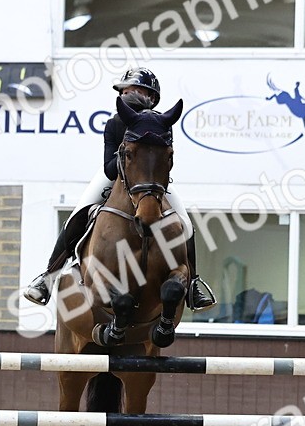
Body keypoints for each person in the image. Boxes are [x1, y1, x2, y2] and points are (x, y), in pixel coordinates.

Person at [22, 67, 216, 311]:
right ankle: (47, 278)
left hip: (149, 183)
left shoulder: (163, 124)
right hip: (113, 178)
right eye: (124, 90)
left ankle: (194, 284)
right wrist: (127, 154)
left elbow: (164, 162)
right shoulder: (115, 123)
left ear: (150, 95)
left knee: (185, 224)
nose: (126, 93)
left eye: (132, 89)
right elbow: (109, 168)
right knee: (77, 215)